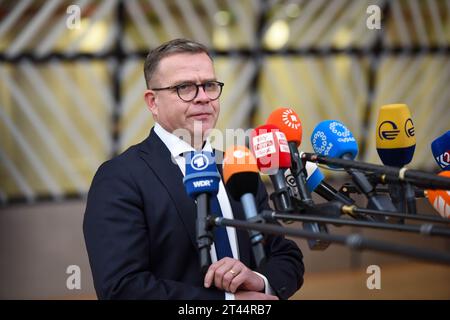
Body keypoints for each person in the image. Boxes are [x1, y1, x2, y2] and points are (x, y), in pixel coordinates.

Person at [83, 38, 304, 300]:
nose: (203, 98)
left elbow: (285, 255)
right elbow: (122, 288)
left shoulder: (237, 166)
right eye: (185, 87)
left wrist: (259, 281)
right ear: (152, 102)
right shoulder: (120, 177)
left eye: (209, 85)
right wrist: (228, 303)